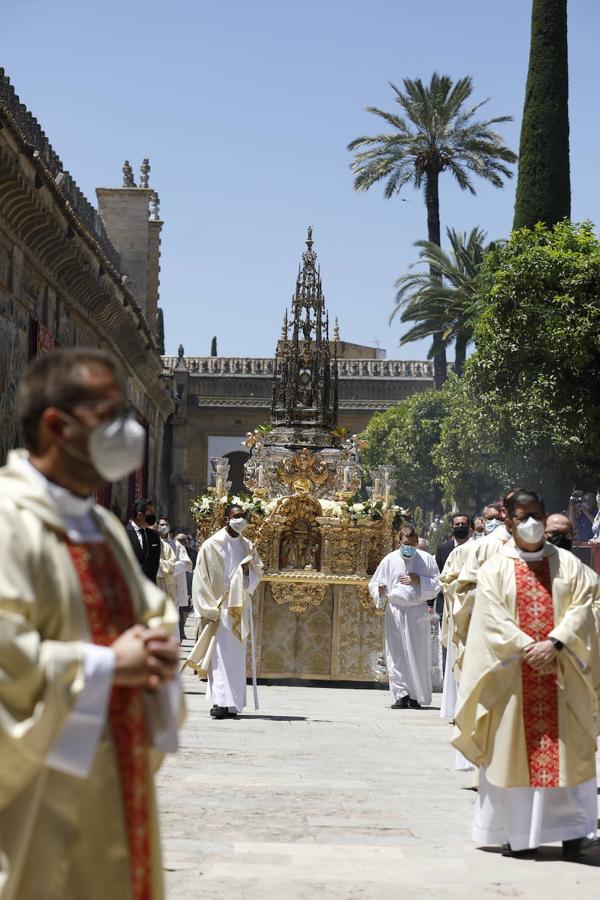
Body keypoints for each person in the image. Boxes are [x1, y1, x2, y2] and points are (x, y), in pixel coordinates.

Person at [0, 348, 182, 900]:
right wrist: (106, 665)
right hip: (35, 800)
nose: (128, 431)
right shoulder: (10, 522)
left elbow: (148, 611)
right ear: (58, 425)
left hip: (113, 776)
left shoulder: (100, 526)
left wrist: (160, 647)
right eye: (110, 415)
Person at [453, 489, 600, 859]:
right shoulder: (495, 568)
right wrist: (526, 647)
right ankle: (517, 834)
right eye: (523, 517)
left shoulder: (569, 565)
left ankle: (575, 832)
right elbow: (490, 617)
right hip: (513, 678)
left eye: (537, 514)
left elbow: (585, 605)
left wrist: (556, 642)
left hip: (563, 671)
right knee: (513, 753)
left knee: (570, 752)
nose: (532, 523)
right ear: (509, 520)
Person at [187, 503, 262, 719]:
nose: (241, 520)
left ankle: (233, 704)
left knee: (236, 656)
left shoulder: (248, 545)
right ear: (226, 519)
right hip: (219, 607)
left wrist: (248, 573)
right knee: (218, 655)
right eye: (237, 516)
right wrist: (208, 608)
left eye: (244, 516)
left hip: (239, 606)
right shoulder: (212, 545)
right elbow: (201, 579)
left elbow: (257, 574)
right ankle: (220, 702)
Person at [369, 525, 441, 709]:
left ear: (416, 542)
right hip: (396, 610)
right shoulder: (389, 560)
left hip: (417, 611)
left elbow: (437, 583)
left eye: (411, 544)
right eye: (404, 543)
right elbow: (375, 582)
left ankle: (416, 696)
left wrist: (420, 580)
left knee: (418, 652)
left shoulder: (426, 560)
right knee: (397, 653)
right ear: (398, 541)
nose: (407, 547)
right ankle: (401, 694)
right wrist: (380, 590)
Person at [156, 517, 193, 642]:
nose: (164, 526)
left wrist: (169, 569)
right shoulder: (154, 542)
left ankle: (174, 640)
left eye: (166, 524)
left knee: (174, 612)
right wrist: (165, 569)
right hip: (158, 582)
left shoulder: (176, 544)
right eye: (161, 524)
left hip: (173, 583)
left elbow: (186, 563)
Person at [435, 513, 473, 618]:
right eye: (457, 524)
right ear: (452, 526)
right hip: (448, 601)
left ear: (469, 527)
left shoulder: (476, 548)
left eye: (463, 524)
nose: (460, 526)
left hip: (470, 602)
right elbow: (438, 574)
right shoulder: (443, 549)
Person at [125, 497, 161, 583]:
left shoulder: (154, 536)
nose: (153, 516)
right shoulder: (123, 534)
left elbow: (155, 564)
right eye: (151, 512)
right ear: (140, 515)